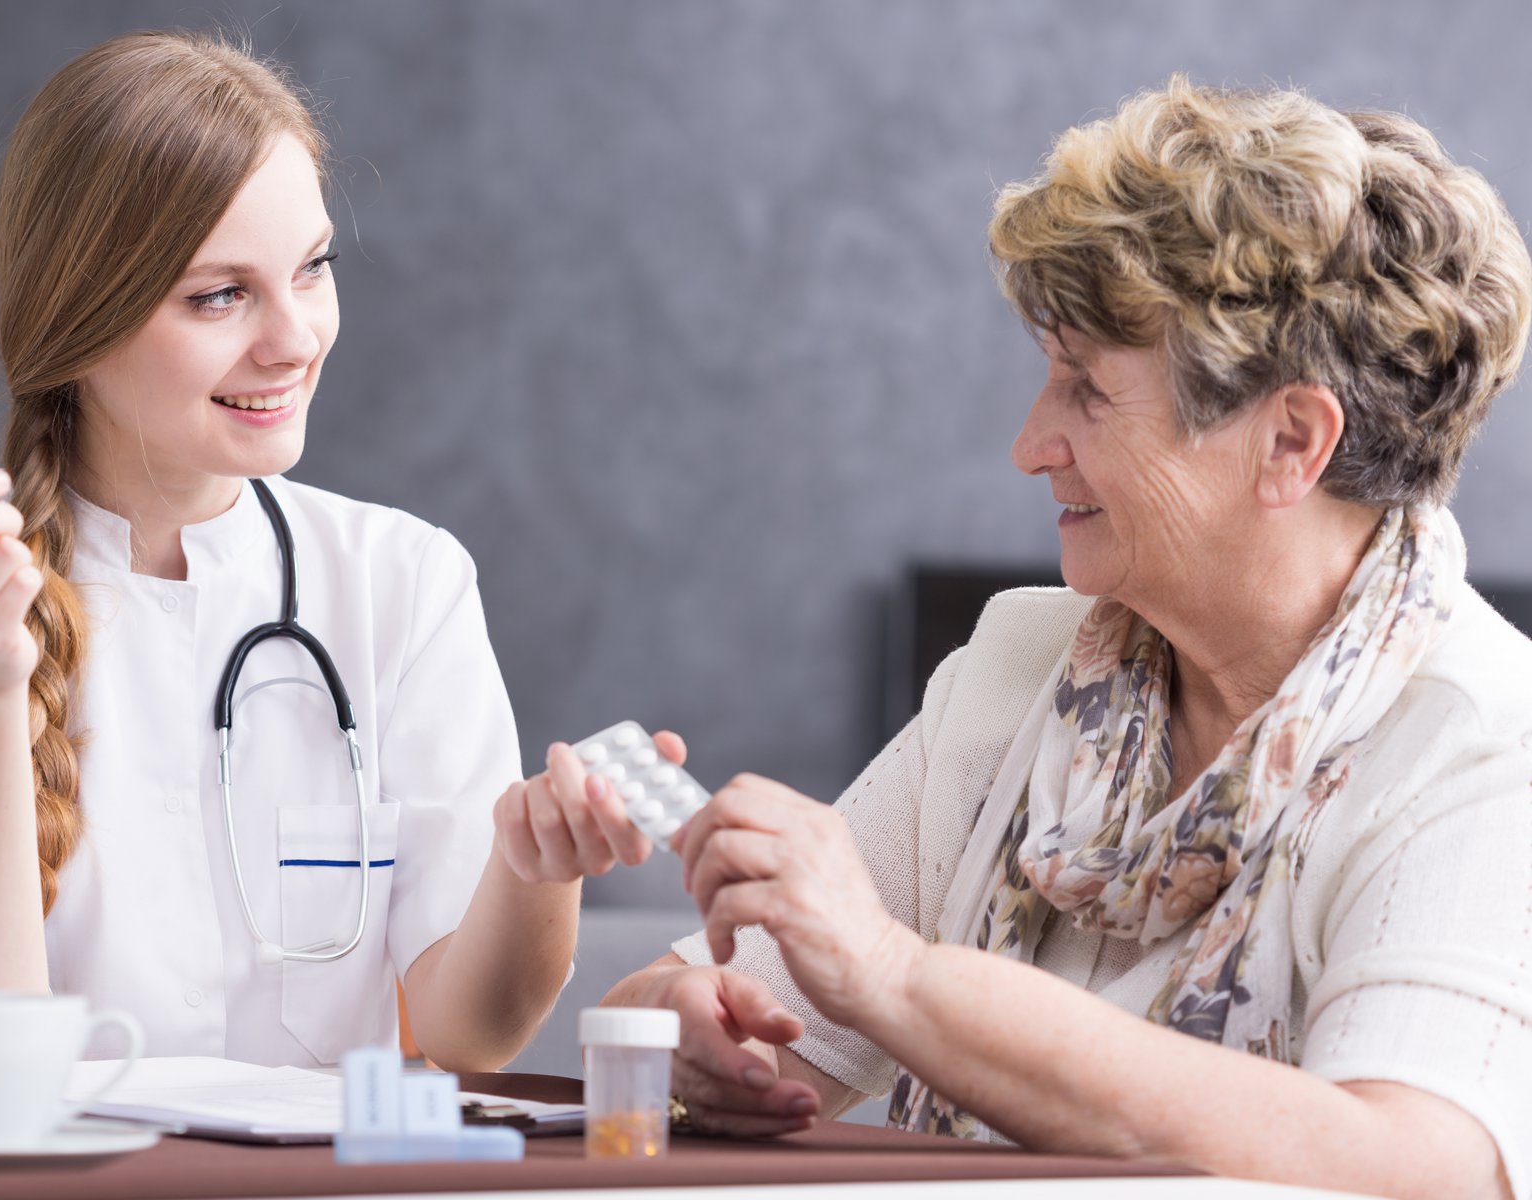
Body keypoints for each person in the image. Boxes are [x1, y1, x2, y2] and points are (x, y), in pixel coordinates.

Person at [605, 77, 1532, 1199]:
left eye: (1087, 392)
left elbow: (1414, 1166)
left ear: (1291, 440)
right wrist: (681, 1029)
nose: (1030, 443)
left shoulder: (1482, 744)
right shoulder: (1017, 669)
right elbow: (733, 1009)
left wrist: (899, 981)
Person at [0, 30, 659, 1070]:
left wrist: (538, 867)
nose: (293, 337)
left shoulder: (405, 582)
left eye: (312, 269)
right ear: (77, 321)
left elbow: (467, 1032)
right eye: (220, 295)